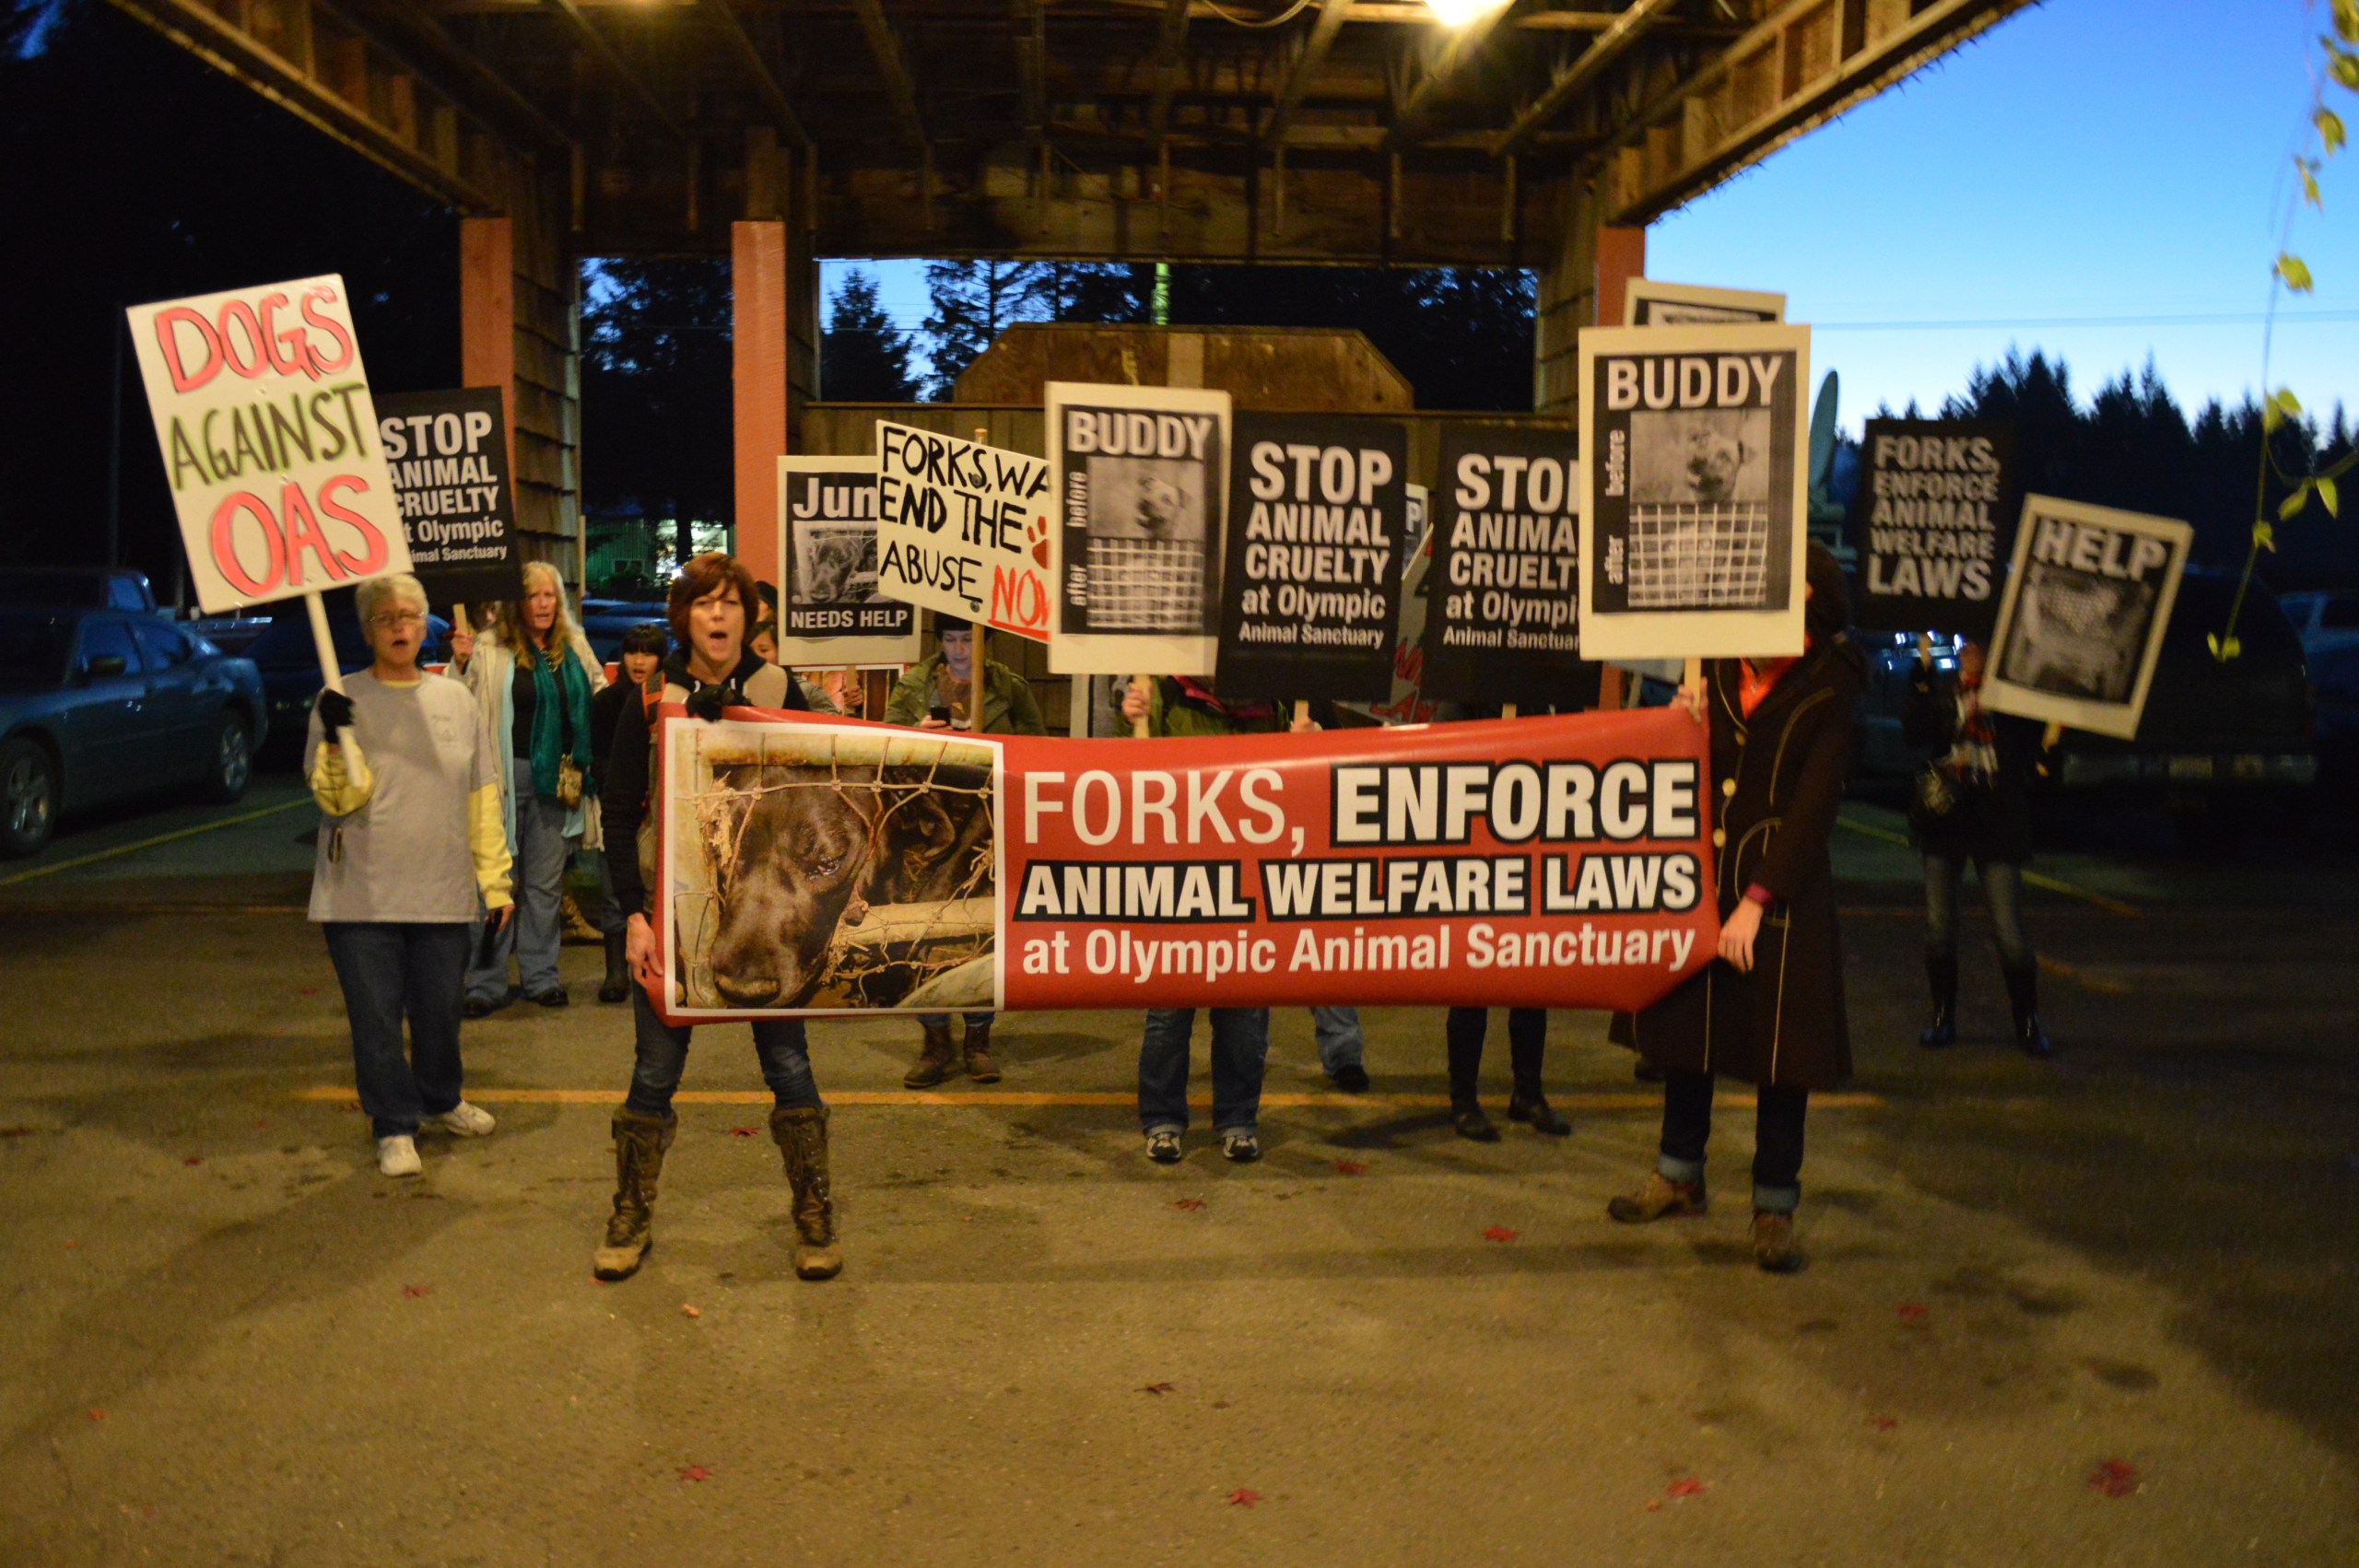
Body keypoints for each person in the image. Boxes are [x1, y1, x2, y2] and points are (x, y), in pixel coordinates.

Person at [1607, 545, 1865, 1274]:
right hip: (1702, 881)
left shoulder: (1832, 683)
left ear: (1806, 613)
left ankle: (1774, 1204)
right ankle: (1678, 1175)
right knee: (1690, 1036)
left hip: (1780, 893)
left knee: (1782, 1056)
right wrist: (1676, 723)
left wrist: (1758, 898)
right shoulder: (1715, 665)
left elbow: (1814, 806)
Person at [595, 552, 841, 1282]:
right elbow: (614, 811)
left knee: (789, 1065)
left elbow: (830, 774)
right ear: (686, 617)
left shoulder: (779, 687)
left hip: (766, 923)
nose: (717, 616)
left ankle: (815, 1214)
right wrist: (632, 919)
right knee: (655, 1071)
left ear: (747, 616)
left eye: (730, 603)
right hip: (670, 917)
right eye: (704, 604)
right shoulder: (646, 697)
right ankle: (631, 1212)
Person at [307, 573, 513, 1177]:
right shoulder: (338, 697)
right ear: (367, 630)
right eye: (384, 618)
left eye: (408, 616)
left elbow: (482, 793)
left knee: (439, 1013)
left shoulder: (456, 698)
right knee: (375, 1020)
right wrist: (334, 740)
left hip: (443, 890)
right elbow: (336, 800)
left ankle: (441, 1097)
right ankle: (393, 1123)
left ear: (427, 626)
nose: (398, 627)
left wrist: (495, 881)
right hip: (359, 897)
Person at [1122, 674, 1371, 1092]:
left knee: (1256, 998)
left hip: (1257, 869)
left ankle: (1244, 1115)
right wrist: (1132, 723)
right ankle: (1163, 1115)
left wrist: (1314, 741)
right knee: (1171, 1005)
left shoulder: (1275, 700)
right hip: (1185, 872)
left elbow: (1314, 775)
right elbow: (1127, 778)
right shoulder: (1162, 696)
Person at [885, 614, 1045, 1087]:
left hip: (987, 826)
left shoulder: (1008, 687)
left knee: (981, 932)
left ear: (984, 643)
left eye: (967, 639)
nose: (959, 649)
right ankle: (935, 1042)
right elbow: (884, 745)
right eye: (951, 639)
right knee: (925, 930)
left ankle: (978, 1040)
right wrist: (919, 734)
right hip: (927, 826)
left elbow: (1038, 748)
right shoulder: (914, 685)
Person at [451, 561, 607, 1015]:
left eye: (549, 595)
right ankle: (484, 983)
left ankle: (541, 977)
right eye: (533, 595)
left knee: (544, 886)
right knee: (494, 885)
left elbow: (599, 692)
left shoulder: (573, 645)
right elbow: (459, 703)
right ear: (516, 603)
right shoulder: (489, 646)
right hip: (499, 779)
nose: (542, 603)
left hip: (557, 781)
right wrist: (459, 666)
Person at [1905, 638, 2054, 1057]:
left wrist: (2049, 747)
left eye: (1978, 647)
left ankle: (2028, 1022)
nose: (1969, 653)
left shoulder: (2011, 699)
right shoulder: (1942, 689)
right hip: (1946, 819)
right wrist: (1922, 671)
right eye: (1965, 646)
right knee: (1939, 928)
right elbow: (1914, 733)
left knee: (2009, 930)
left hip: (1996, 822)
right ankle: (1942, 1019)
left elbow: (2034, 756)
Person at [586, 622, 668, 1004]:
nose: (639, 660)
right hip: (620, 807)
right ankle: (615, 972)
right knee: (614, 891)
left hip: (659, 812)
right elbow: (596, 756)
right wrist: (618, 783)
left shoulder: (668, 700)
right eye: (633, 651)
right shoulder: (606, 702)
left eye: (648, 652)